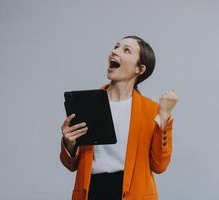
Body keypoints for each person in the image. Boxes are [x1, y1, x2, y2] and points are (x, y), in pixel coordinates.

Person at [60, 35, 179, 200]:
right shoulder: (88, 104)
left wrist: (164, 118)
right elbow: (71, 164)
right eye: (116, 47)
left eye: (126, 50)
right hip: (92, 191)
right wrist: (69, 143)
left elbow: (159, 166)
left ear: (140, 69)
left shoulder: (151, 111)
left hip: (133, 194)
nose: (114, 52)